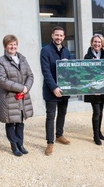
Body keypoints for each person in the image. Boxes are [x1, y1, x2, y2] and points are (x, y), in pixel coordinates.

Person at [0, 35, 34, 157]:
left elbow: (30, 75)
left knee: (20, 121)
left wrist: (26, 87)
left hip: (22, 96)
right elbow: (2, 80)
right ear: (5, 46)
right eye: (10, 44)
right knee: (11, 122)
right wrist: (21, 88)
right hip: (9, 97)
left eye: (14, 44)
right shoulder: (0, 62)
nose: (13, 47)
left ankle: (21, 144)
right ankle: (14, 145)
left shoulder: (22, 59)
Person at [40, 26, 71, 156]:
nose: (59, 37)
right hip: (51, 90)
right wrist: (54, 87)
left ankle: (59, 135)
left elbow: (71, 70)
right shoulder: (45, 50)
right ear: (52, 36)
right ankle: (50, 142)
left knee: (62, 113)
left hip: (65, 89)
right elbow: (46, 72)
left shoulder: (66, 51)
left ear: (63, 37)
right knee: (51, 116)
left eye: (61, 35)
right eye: (56, 35)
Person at [83, 34, 104, 145]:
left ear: (102, 44)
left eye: (99, 42)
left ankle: (99, 131)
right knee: (96, 112)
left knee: (101, 112)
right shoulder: (87, 56)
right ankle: (95, 135)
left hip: (103, 88)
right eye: (95, 42)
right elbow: (86, 74)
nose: (97, 44)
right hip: (93, 89)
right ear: (92, 43)